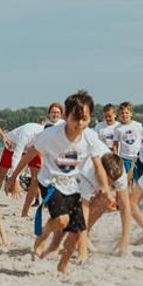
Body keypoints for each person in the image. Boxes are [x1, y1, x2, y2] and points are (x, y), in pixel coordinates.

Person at [32, 91, 112, 275]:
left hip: (72, 185)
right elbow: (31, 152)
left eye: (84, 119)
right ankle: (42, 236)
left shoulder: (90, 137)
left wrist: (106, 189)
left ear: (90, 118)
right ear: (66, 116)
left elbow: (98, 165)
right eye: (76, 118)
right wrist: (13, 177)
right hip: (50, 182)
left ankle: (63, 264)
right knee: (62, 220)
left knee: (76, 230)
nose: (80, 123)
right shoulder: (51, 134)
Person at [1, 122, 47, 217]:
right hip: (13, 144)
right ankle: (10, 181)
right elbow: (17, 156)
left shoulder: (49, 138)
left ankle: (25, 213)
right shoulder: (28, 133)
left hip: (32, 147)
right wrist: (16, 180)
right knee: (1, 172)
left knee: (36, 179)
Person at [113, 102, 143, 179]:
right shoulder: (117, 129)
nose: (124, 115)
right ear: (119, 115)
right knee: (127, 180)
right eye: (122, 113)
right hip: (124, 158)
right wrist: (116, 158)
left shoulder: (138, 126)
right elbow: (115, 144)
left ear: (131, 113)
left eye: (127, 113)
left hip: (138, 158)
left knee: (138, 179)